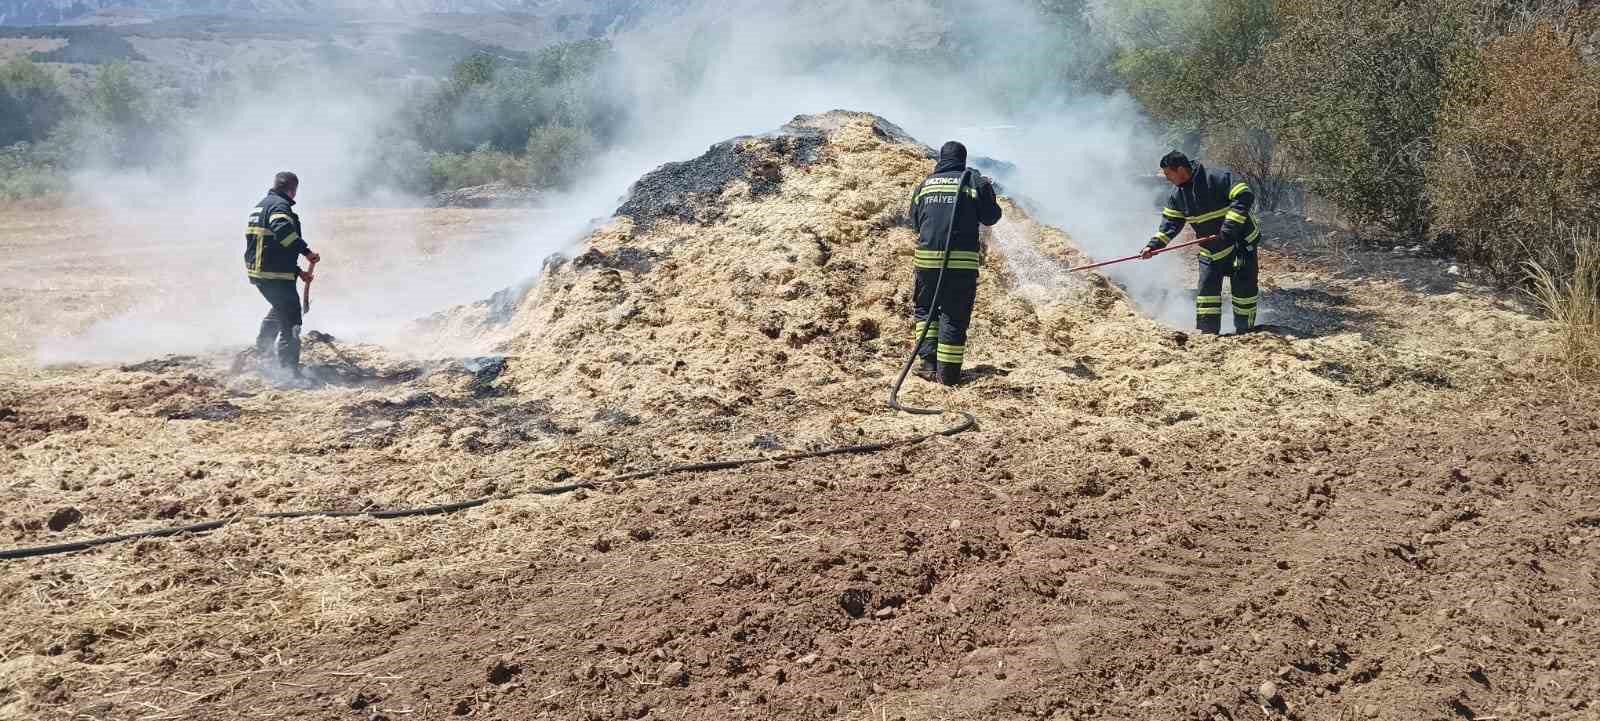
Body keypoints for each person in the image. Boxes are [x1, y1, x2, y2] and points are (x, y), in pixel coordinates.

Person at [908, 141, 1003, 385]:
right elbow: (991, 217)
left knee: (926, 311)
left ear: (941, 159)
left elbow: (916, 224)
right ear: (963, 159)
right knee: (954, 314)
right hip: (960, 265)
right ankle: (948, 375)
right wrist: (987, 191)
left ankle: (928, 365)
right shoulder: (973, 182)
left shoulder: (924, 185)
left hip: (927, 264)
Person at [1141, 151, 1261, 334]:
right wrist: (1153, 246)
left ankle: (1245, 333)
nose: (1167, 179)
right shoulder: (1177, 196)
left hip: (1241, 245)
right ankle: (1208, 335)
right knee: (1206, 295)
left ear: (1180, 170)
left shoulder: (1218, 177)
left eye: (1167, 174)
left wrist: (1229, 228)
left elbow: (1244, 195)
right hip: (1211, 250)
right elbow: (1169, 225)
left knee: (1244, 293)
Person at [245, 171, 319, 377]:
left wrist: (298, 272)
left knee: (280, 308)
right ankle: (289, 372)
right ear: (292, 189)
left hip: (264, 271)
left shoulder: (263, 204)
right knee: (292, 319)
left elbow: (272, 246)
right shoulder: (279, 206)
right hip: (274, 274)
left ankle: (263, 350)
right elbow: (283, 232)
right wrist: (307, 252)